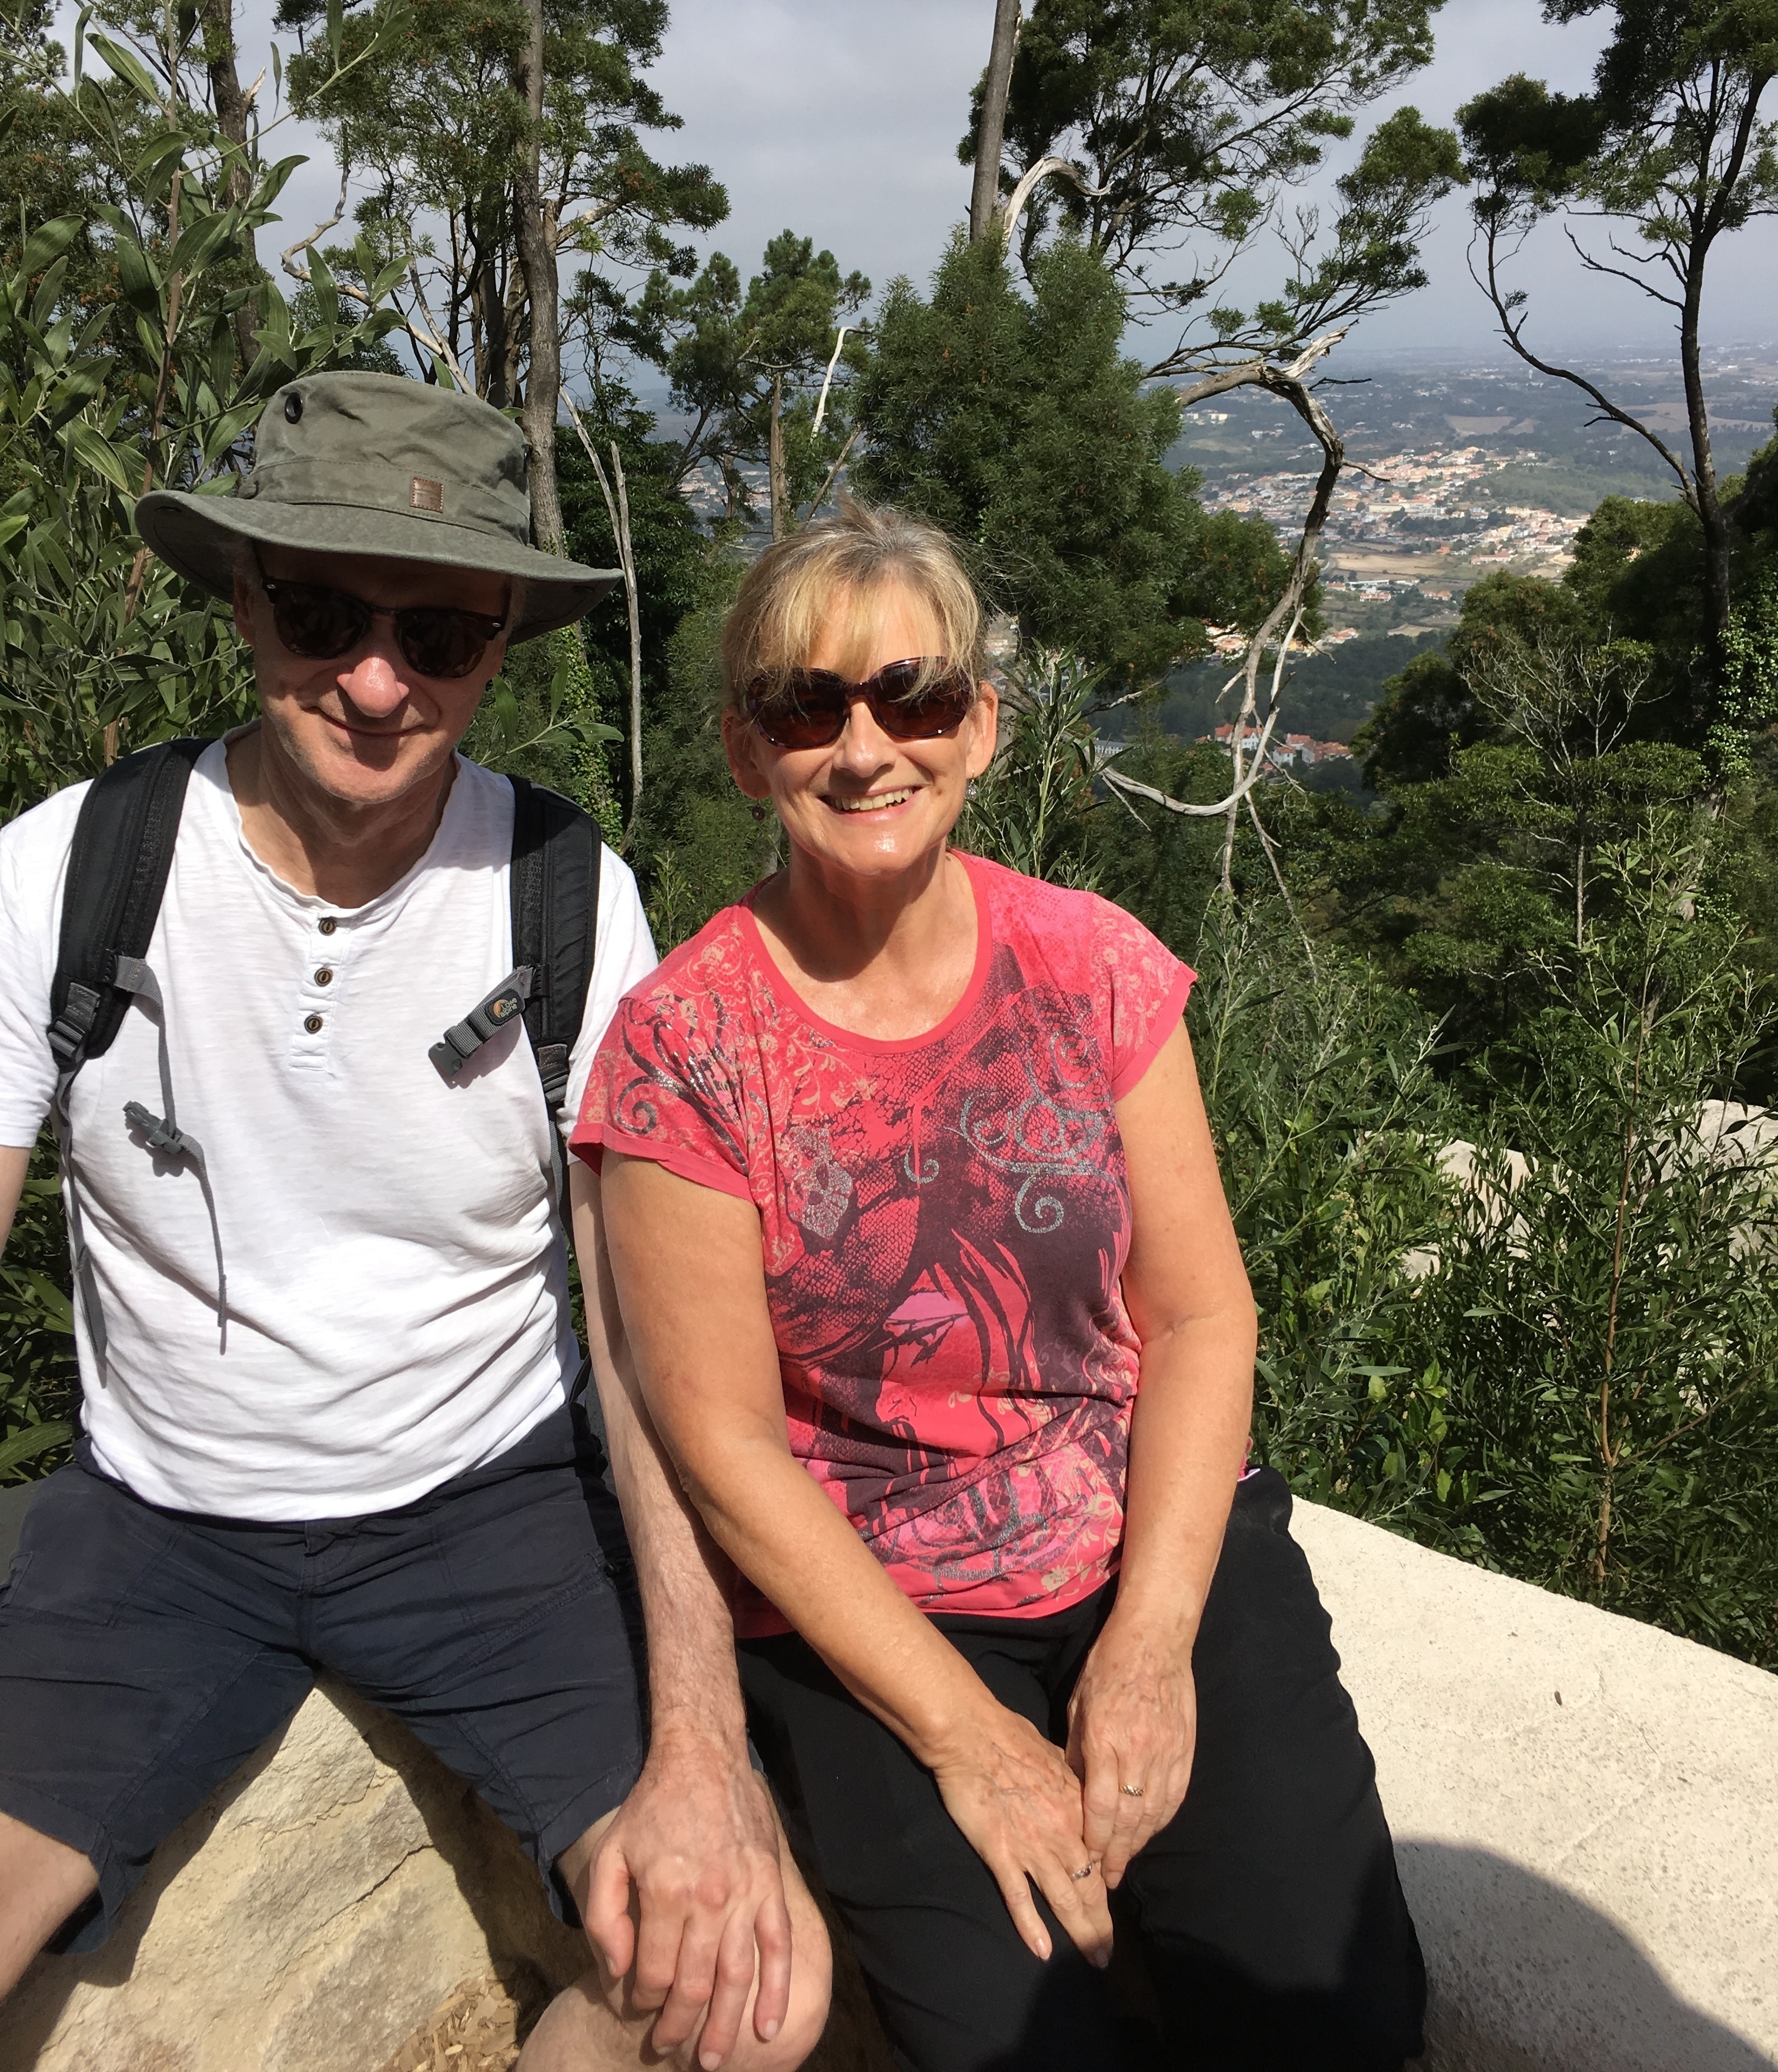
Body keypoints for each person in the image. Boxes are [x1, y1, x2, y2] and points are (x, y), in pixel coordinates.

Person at [0, 373, 829, 2072]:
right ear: (242, 603)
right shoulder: (71, 871)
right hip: (155, 1518)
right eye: (319, 614)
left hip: (488, 1514)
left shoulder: (562, 895)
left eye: (438, 635)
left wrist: (702, 1751)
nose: (376, 684)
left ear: (498, 647)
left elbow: (652, 1344)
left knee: (742, 1999)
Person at [576, 501, 1428, 2072]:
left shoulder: (1094, 966)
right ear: (745, 750)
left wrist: (1154, 1645)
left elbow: (1199, 1319)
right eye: (804, 708)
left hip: (1143, 1538)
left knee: (1340, 2026)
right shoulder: (686, 1049)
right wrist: (972, 1745)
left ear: (982, 726)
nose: (863, 746)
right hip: (871, 1602)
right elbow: (726, 1445)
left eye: (912, 697)